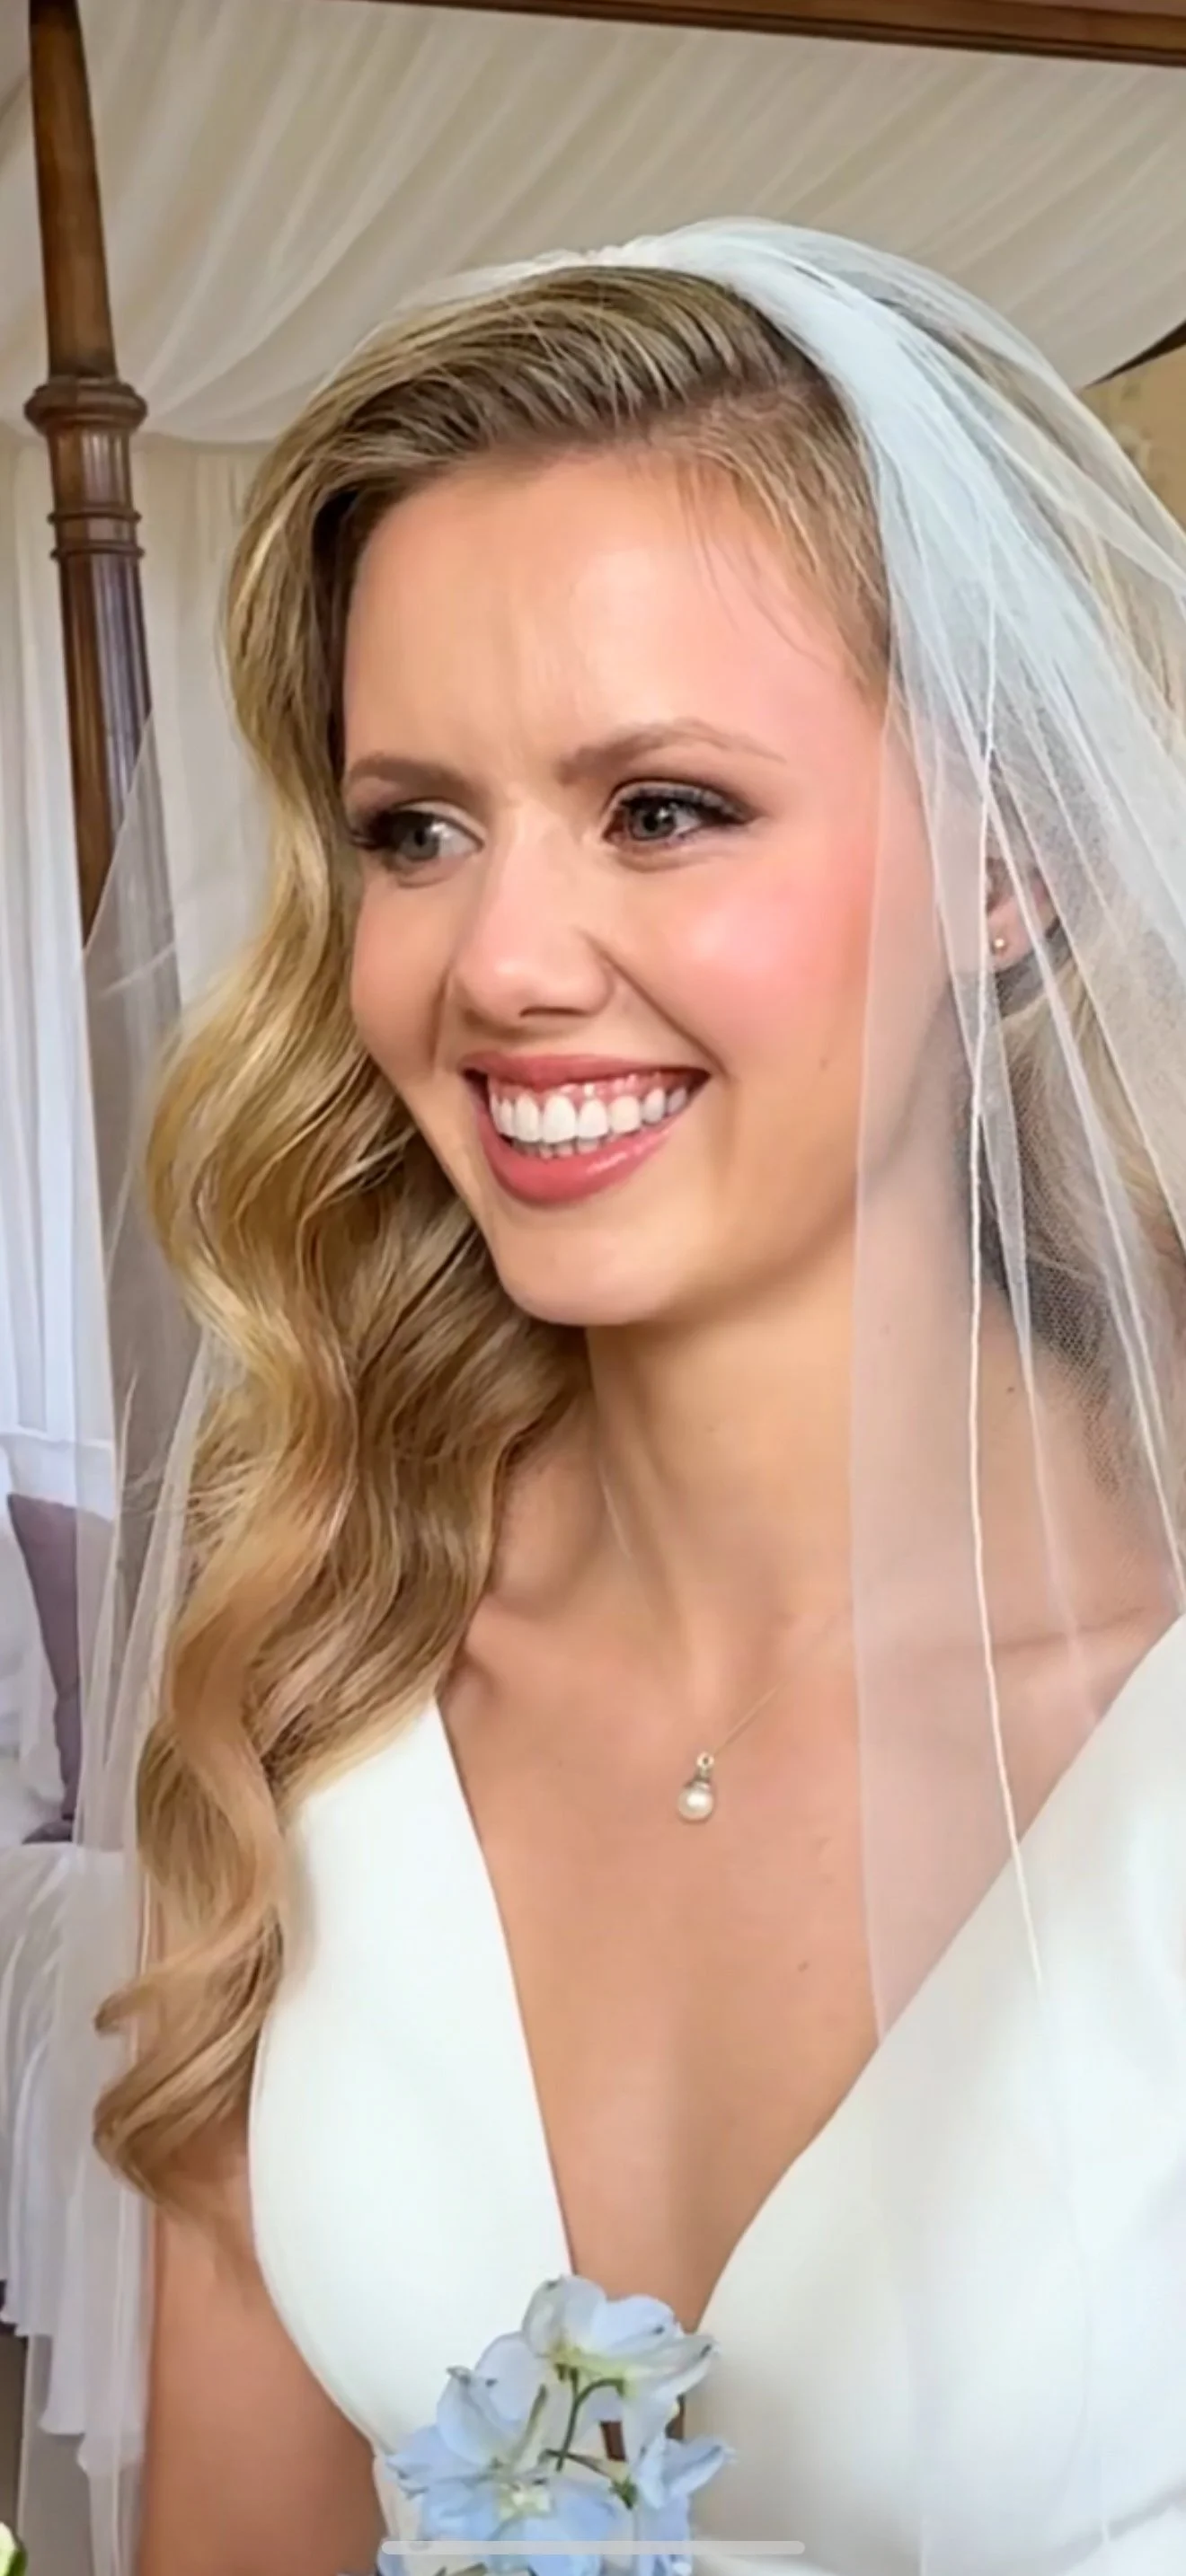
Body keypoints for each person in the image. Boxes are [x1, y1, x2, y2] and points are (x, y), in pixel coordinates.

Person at [94, 223, 1186, 2575]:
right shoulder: (317, 1671)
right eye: (417, 826)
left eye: (664, 806)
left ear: (1005, 855)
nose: (495, 961)